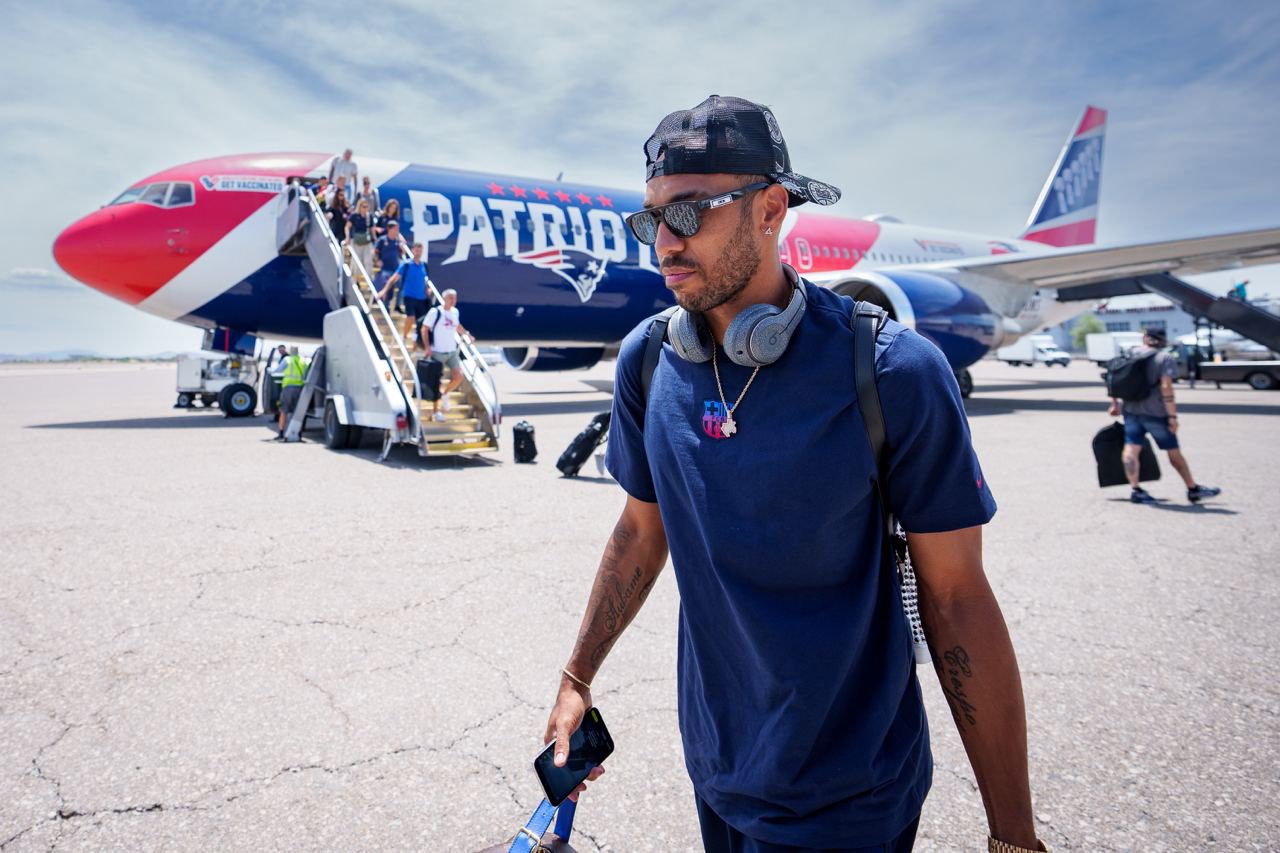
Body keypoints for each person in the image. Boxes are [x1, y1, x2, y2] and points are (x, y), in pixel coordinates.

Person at [542, 96, 1048, 853]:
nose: (664, 245)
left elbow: (957, 597)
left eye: (689, 213)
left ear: (771, 209)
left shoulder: (892, 372)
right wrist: (577, 675)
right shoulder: (651, 363)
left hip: (853, 795)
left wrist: (1012, 833)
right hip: (717, 769)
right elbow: (641, 530)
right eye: (651, 219)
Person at [1108, 326, 1221, 504]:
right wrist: (1172, 416)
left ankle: (1136, 489)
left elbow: (1113, 378)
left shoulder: (1129, 354)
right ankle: (1192, 488)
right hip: (1156, 413)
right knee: (1173, 452)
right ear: (1162, 340)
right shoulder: (1164, 358)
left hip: (1130, 410)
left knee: (1131, 449)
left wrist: (1114, 404)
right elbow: (1166, 386)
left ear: (1145, 338)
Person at [420, 289, 472, 422]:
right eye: (450, 298)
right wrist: (427, 347)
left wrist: (466, 334)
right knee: (436, 382)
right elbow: (424, 328)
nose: (453, 301)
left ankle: (445, 393)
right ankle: (435, 412)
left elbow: (457, 325)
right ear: (444, 299)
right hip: (437, 351)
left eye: (454, 298)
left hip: (452, 351)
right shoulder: (435, 312)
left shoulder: (455, 312)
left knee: (458, 377)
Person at [381, 242, 432, 344]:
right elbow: (394, 278)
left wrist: (428, 290)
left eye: (420, 250)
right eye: (417, 250)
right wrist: (383, 291)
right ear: (412, 250)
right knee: (410, 317)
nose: (418, 252)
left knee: (420, 323)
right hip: (409, 296)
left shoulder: (424, 265)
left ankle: (414, 341)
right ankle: (404, 336)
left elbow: (425, 281)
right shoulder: (406, 264)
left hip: (422, 299)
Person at [373, 220, 409, 310]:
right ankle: (385, 305)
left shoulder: (398, 241)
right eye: (396, 229)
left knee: (403, 284)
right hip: (386, 268)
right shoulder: (382, 240)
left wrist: (402, 248)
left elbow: (402, 253)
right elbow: (374, 252)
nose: (397, 231)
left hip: (396, 269)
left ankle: (398, 305)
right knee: (387, 286)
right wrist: (377, 261)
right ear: (389, 229)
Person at [275, 346, 307, 440]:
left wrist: (269, 370)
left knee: (284, 411)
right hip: (300, 388)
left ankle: (281, 432)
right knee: (298, 412)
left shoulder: (287, 360)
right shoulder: (303, 361)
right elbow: (305, 374)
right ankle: (299, 434)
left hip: (288, 388)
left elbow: (278, 370)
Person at [345, 197, 375, 278]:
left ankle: (368, 280)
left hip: (367, 241)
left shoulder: (369, 216)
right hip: (356, 241)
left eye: (366, 206)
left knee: (368, 261)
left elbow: (372, 229)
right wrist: (347, 237)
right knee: (356, 262)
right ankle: (354, 280)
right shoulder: (354, 216)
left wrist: (375, 240)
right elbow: (347, 227)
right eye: (363, 206)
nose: (365, 208)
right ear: (359, 206)